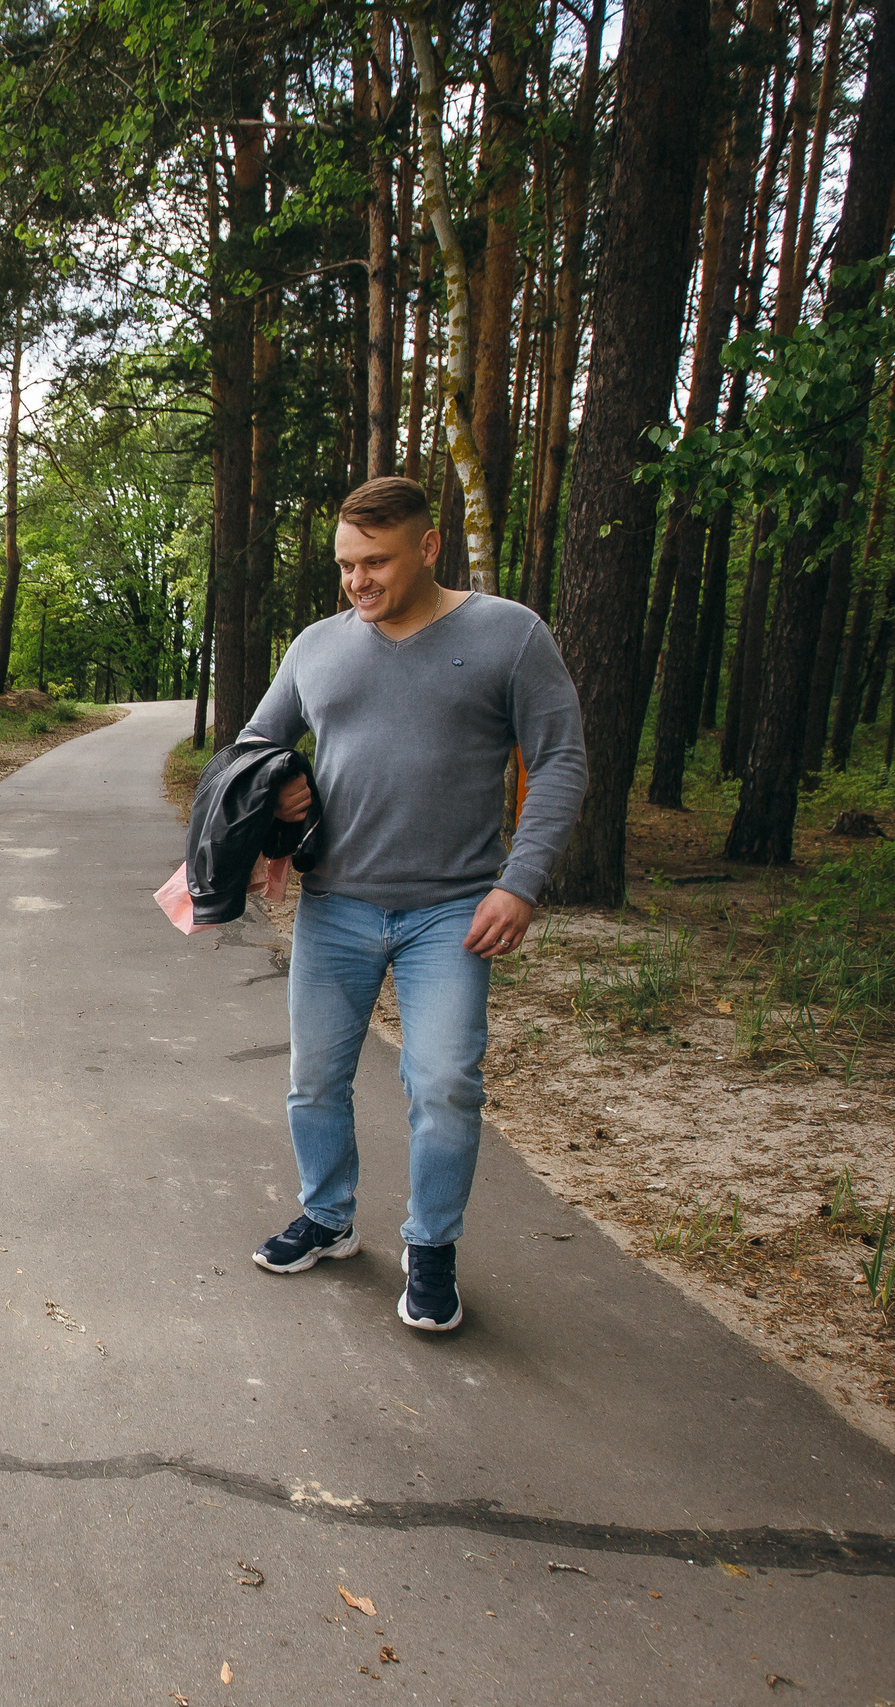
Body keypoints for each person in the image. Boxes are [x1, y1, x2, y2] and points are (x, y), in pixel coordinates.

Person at [243, 476, 585, 1332]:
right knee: (315, 1078)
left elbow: (561, 760)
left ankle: (431, 1249)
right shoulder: (317, 647)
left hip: (453, 911)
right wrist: (278, 785)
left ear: (429, 547)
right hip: (336, 903)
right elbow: (255, 744)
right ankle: (327, 1217)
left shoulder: (509, 635)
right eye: (345, 565)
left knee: (443, 1084)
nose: (357, 581)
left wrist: (521, 881)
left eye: (376, 562)